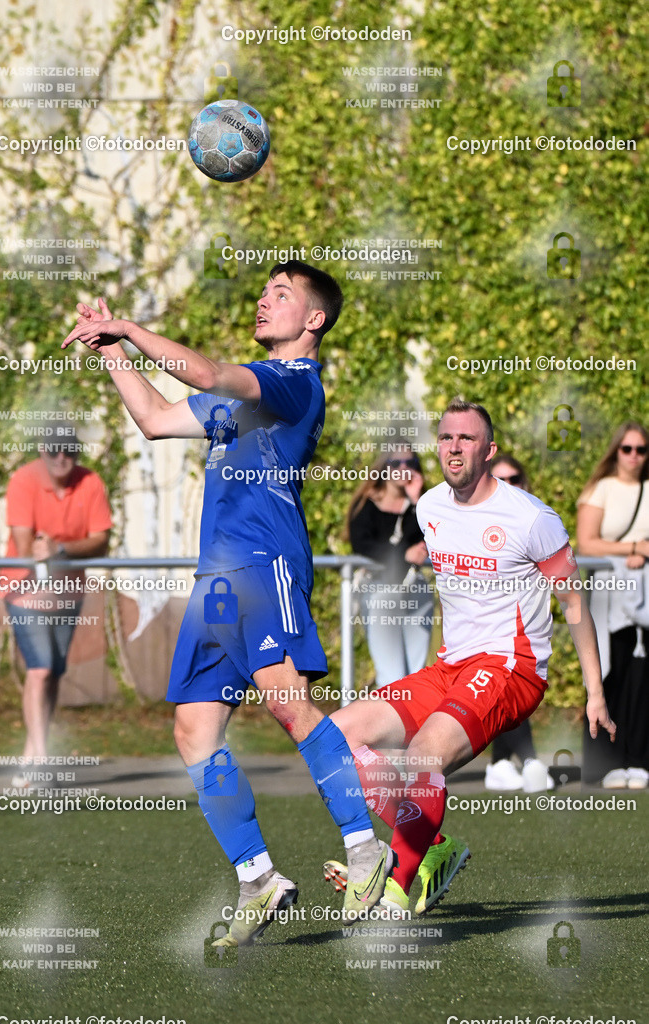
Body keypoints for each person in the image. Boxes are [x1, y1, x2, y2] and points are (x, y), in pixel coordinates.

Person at [61, 261, 393, 946]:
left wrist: (127, 322)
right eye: (263, 290)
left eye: (281, 294)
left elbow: (208, 374)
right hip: (216, 580)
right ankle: (257, 878)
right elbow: (153, 419)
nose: (264, 300)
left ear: (313, 319)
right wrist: (114, 351)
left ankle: (365, 849)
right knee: (192, 731)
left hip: (264, 565)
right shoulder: (244, 391)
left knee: (285, 701)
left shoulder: (291, 383)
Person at [323, 398, 615, 916]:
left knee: (424, 757)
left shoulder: (531, 517)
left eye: (466, 438)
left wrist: (595, 691)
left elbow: (573, 601)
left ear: (489, 449)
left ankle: (391, 887)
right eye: (445, 437)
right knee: (333, 740)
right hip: (450, 666)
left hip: (510, 668)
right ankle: (434, 848)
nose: (453, 447)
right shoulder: (431, 506)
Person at [0, 424, 112, 784]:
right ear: (42, 452)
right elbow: (25, 542)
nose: (61, 458)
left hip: (68, 591)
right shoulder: (23, 480)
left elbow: (101, 542)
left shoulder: (90, 482)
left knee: (53, 674)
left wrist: (61, 550)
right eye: (53, 450)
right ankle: (43, 760)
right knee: (41, 669)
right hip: (23, 588)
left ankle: (31, 760)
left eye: (69, 451)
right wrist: (43, 554)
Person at [576, 421, 649, 789]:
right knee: (610, 672)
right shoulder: (601, 488)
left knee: (643, 678)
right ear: (616, 450)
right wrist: (634, 548)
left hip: (646, 596)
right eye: (627, 449)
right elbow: (586, 542)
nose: (634, 456)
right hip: (609, 593)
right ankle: (609, 761)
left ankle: (639, 760)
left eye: (641, 449)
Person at [484, 455, 554, 793]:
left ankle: (499, 763)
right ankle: (528, 760)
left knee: (517, 688)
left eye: (514, 479)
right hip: (488, 625)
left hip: (528, 622)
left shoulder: (535, 519)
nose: (508, 486)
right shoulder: (474, 520)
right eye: (501, 479)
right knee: (506, 684)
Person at [347, 447, 433, 686]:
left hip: (414, 587)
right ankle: (391, 723)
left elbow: (432, 536)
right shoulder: (367, 504)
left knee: (416, 673)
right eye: (396, 462)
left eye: (410, 462)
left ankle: (413, 723)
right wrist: (404, 553)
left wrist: (416, 501)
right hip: (379, 590)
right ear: (384, 465)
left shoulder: (423, 505)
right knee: (391, 676)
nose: (403, 468)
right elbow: (362, 545)